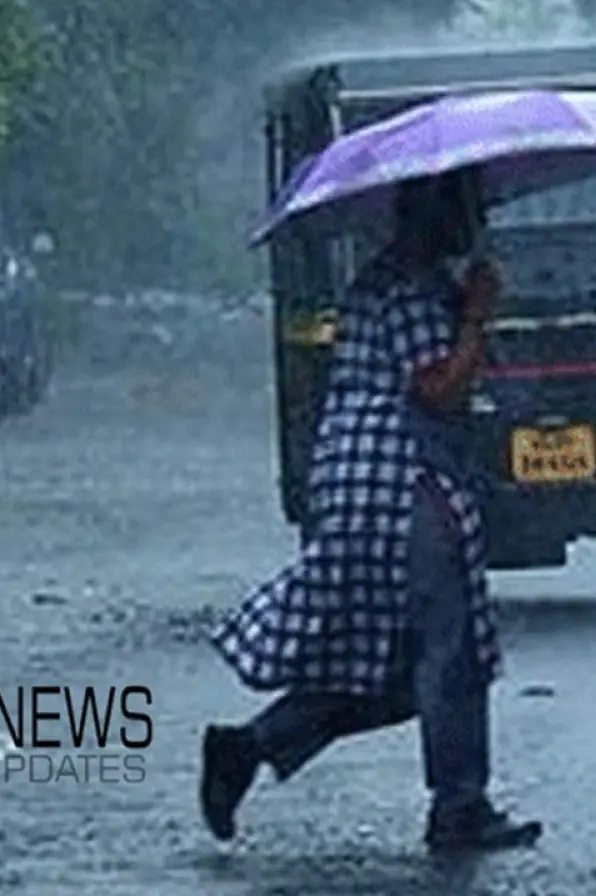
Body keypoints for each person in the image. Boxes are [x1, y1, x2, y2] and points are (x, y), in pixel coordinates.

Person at [202, 168, 541, 853]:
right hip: (400, 485)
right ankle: (459, 807)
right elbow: (438, 390)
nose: (476, 218)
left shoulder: (394, 282)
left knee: (392, 670)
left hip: (362, 484)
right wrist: (476, 316)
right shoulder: (410, 289)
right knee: (449, 654)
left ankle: (251, 746)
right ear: (435, 215)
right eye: (467, 204)